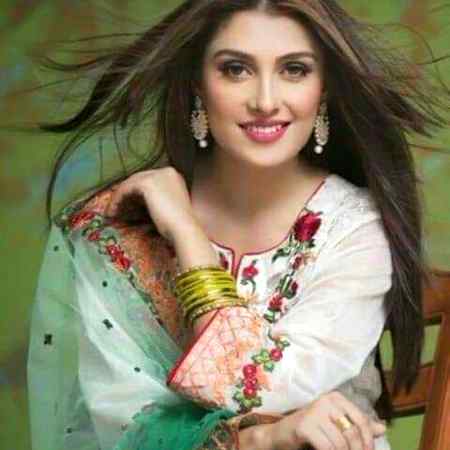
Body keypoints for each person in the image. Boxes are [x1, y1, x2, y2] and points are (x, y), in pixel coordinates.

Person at [27, 1, 448, 450]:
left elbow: (261, 385)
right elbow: (119, 430)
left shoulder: (353, 228)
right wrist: (260, 439)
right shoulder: (119, 233)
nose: (265, 101)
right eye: (235, 69)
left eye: (294, 70)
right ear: (197, 83)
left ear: (323, 88)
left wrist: (188, 237)